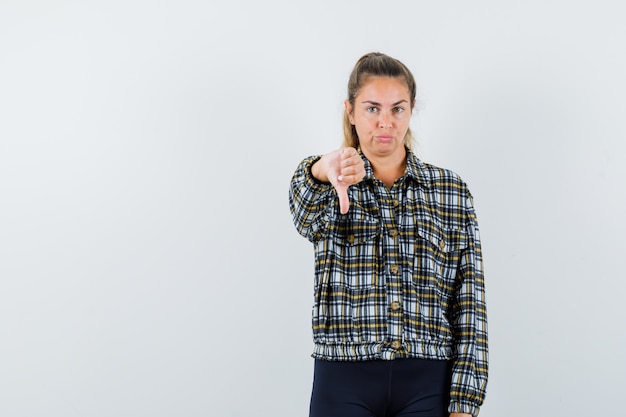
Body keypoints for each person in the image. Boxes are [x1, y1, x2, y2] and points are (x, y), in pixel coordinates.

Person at [288, 52, 488, 417]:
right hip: (343, 378)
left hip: (429, 381)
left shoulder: (450, 191)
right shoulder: (331, 183)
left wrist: (465, 400)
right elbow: (304, 215)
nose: (385, 122)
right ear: (350, 111)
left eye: (397, 109)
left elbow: (469, 300)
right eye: (372, 109)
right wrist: (319, 169)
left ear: (411, 110)